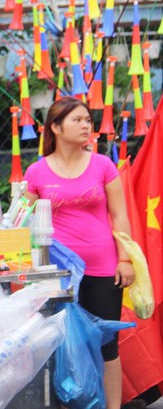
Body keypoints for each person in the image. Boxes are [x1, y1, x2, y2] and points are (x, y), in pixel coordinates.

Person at [23, 97, 136, 409]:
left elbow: (120, 216)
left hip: (103, 267)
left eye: (89, 119)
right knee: (58, 341)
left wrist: (125, 258)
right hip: (55, 274)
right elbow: (23, 219)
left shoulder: (103, 165)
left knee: (107, 343)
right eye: (78, 120)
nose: (87, 125)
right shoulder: (36, 172)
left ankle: (113, 406)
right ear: (56, 127)